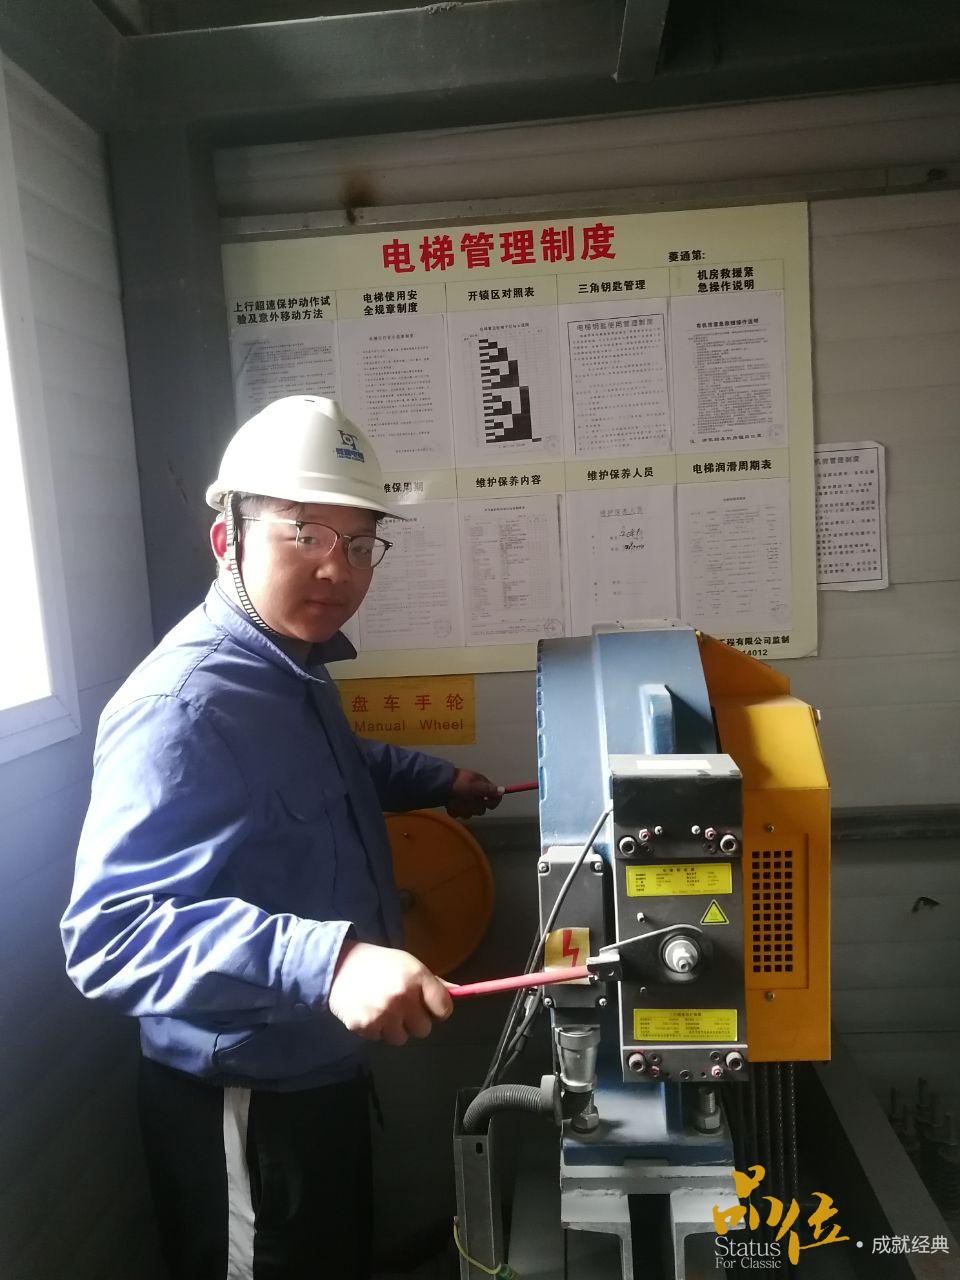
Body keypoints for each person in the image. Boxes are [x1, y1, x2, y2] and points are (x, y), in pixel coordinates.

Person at [60, 396, 502, 1280]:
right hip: (242, 1104)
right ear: (226, 538)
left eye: (359, 543)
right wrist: (330, 962)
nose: (336, 568)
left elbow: (329, 765)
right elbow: (109, 934)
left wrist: (433, 782)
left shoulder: (289, 665)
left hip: (320, 1071)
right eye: (304, 534)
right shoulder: (183, 705)